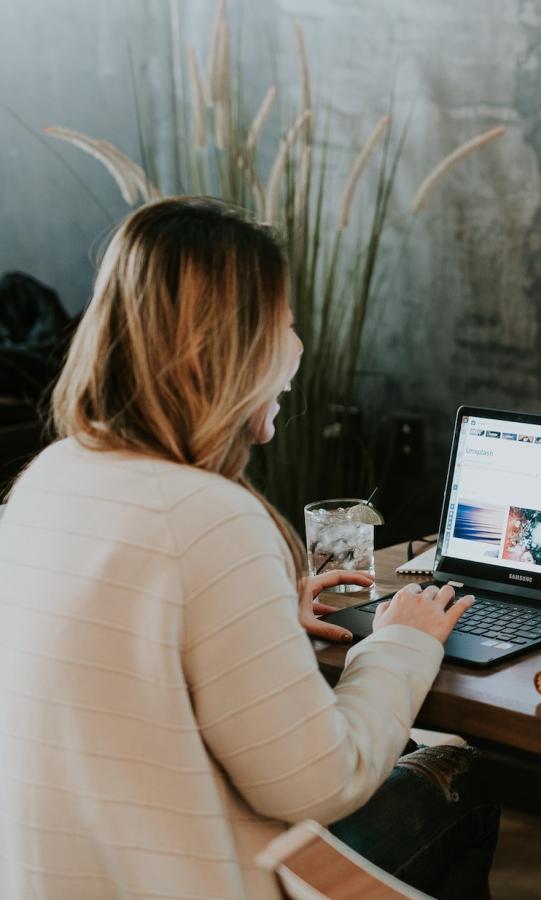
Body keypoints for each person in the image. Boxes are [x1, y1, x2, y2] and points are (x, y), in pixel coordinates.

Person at [0, 198, 498, 898]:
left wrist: (254, 618)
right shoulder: (209, 518)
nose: (297, 348)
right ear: (227, 346)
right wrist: (401, 645)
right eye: (285, 324)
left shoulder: (47, 479)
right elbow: (319, 783)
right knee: (460, 775)